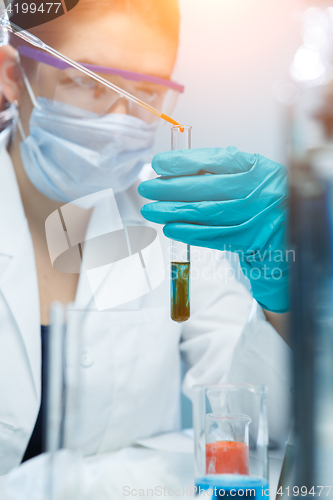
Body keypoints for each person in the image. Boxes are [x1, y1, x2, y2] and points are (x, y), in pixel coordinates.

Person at [0, 0, 290, 484]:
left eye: (148, 91)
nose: (121, 118)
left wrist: (285, 294)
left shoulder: (172, 228)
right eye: (89, 82)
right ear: (11, 75)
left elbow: (259, 425)